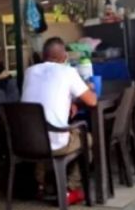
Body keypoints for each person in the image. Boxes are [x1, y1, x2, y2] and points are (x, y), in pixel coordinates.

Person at [21, 37, 97, 197]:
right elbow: (92, 101)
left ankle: (40, 184)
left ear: (43, 55)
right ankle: (70, 189)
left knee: (40, 130)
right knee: (87, 139)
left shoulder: (29, 72)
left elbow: (44, 96)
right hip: (54, 143)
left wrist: (70, 102)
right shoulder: (68, 72)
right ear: (64, 56)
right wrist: (89, 87)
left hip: (25, 141)